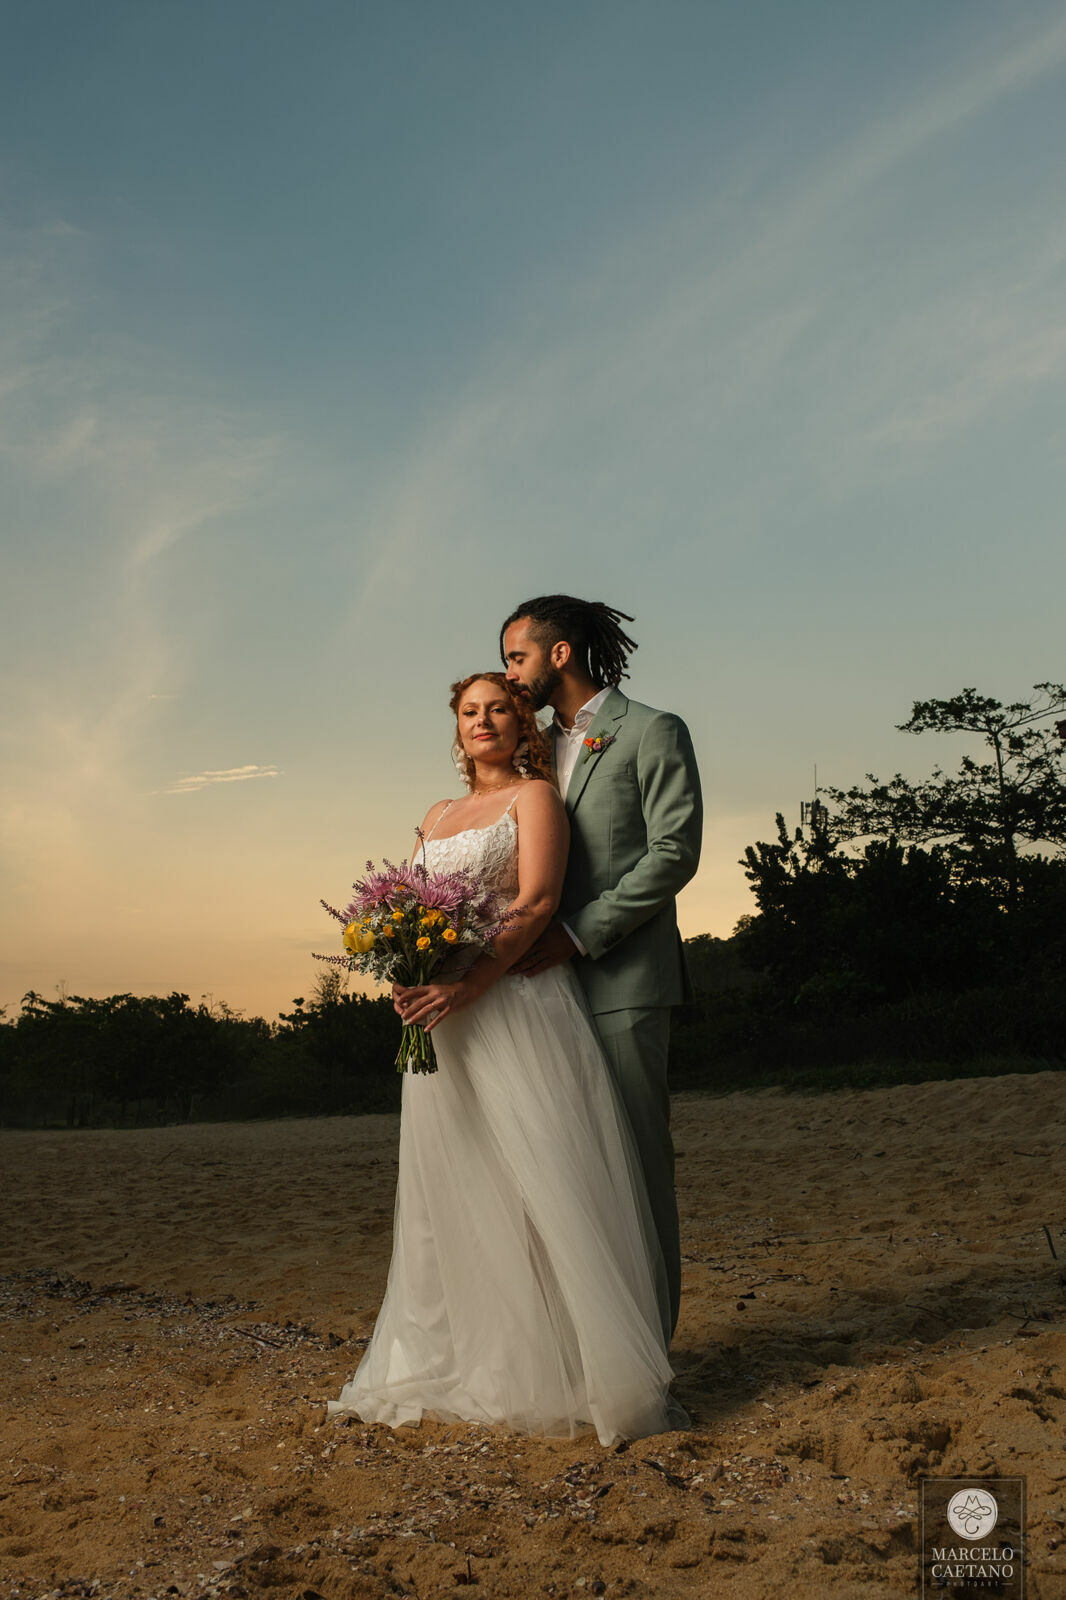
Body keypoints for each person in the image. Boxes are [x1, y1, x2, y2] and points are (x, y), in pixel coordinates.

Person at [327, 672, 686, 1446]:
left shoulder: (536, 799)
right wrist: (408, 971)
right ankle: (477, 1356)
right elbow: (409, 907)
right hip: (446, 1018)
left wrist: (471, 982)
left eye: (497, 708)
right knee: (457, 1183)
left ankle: (574, 1370)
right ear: (455, 729)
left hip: (517, 1006)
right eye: (468, 712)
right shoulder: (438, 813)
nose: (483, 720)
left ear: (522, 723)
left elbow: (536, 903)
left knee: (544, 1178)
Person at [500, 596, 703, 1341]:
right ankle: (584, 1350)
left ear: (560, 654)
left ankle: (651, 1354)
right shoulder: (529, 751)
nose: (509, 674)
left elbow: (674, 855)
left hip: (623, 984)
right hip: (536, 996)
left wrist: (580, 936)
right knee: (565, 1173)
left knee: (637, 1173)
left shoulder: (652, 731)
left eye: (517, 657)